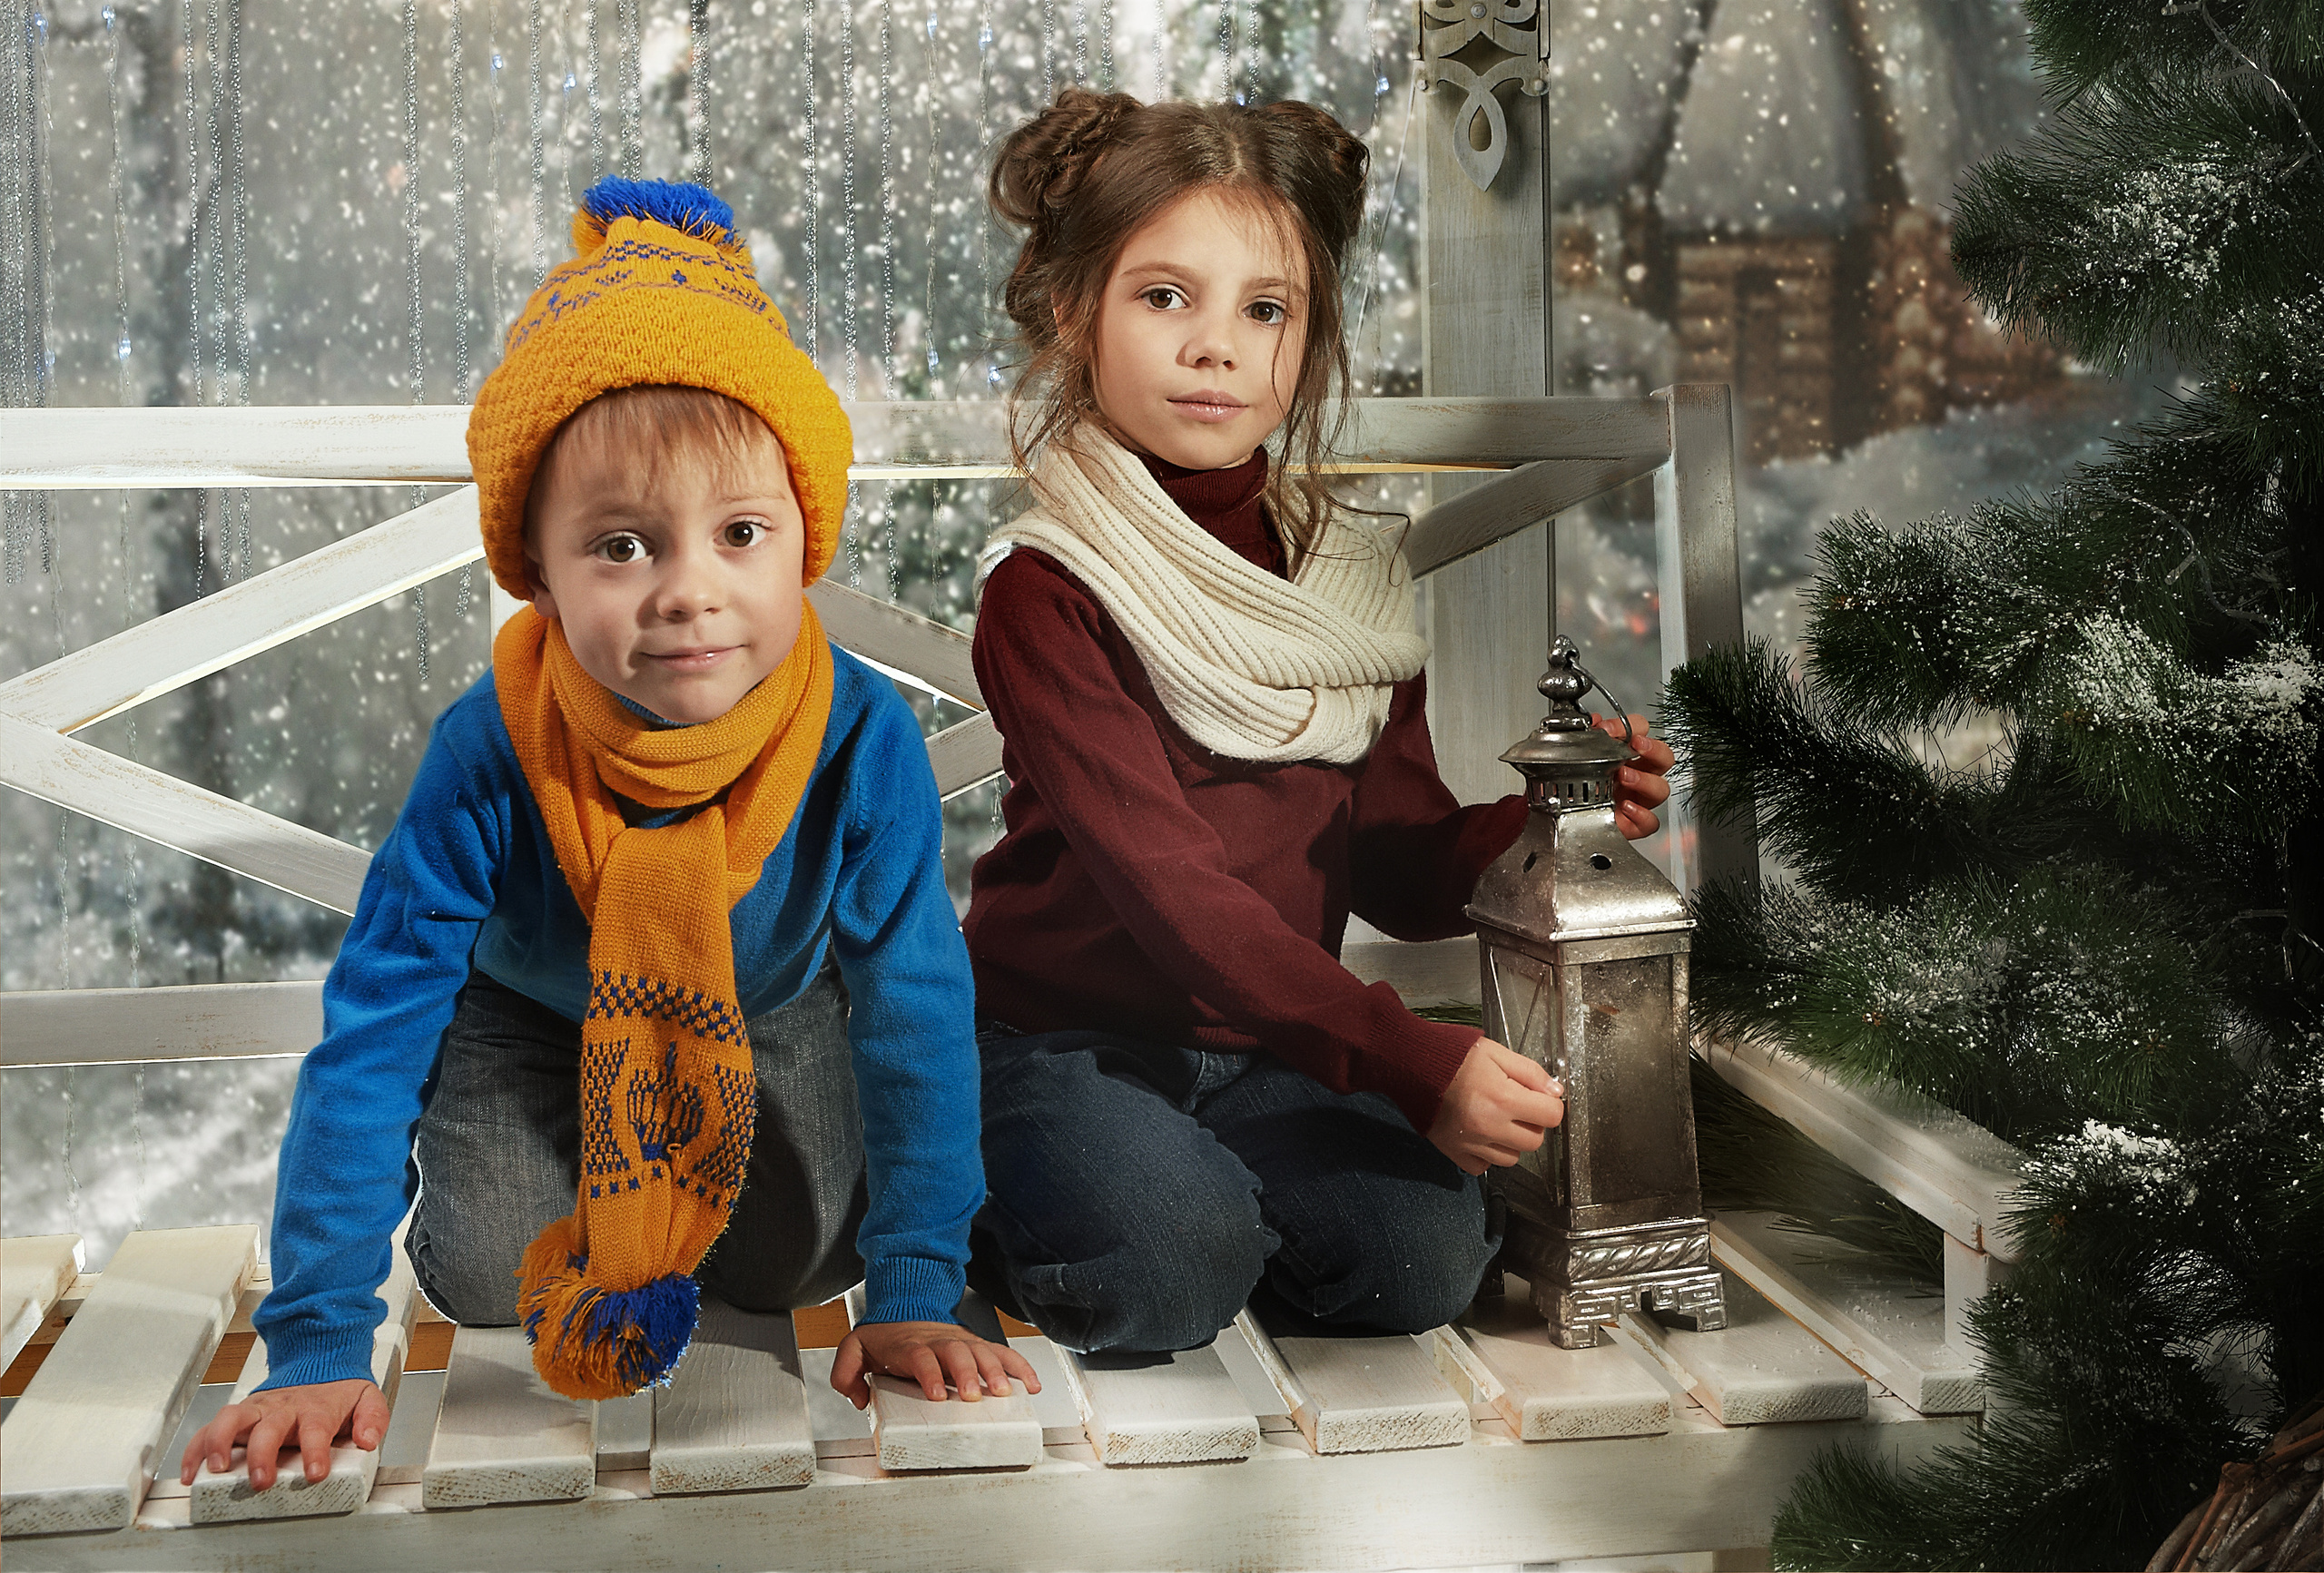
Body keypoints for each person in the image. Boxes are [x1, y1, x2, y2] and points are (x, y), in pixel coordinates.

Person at [182, 177, 1034, 1494]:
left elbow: (916, 1002)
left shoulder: (858, 739)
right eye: (623, 545)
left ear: (806, 536)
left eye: (740, 532)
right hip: (528, 1020)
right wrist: (312, 1338)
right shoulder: (492, 748)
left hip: (773, 1006)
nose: (690, 588)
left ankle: (678, 1194)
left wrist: (920, 1279)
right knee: (483, 1274)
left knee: (808, 1254)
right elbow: (375, 1022)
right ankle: (588, 1163)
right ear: (536, 563)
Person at [963, 90, 1676, 1355]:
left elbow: (1395, 855)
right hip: (1069, 1037)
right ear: (1075, 311)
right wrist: (1406, 1058)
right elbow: (1173, 893)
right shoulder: (1049, 585)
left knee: (1424, 1261)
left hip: (1267, 1045)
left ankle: (1201, 1195)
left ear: (1308, 335)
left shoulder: (1342, 575)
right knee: (1174, 1265)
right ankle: (1024, 1191)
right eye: (1164, 296)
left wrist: (1550, 829)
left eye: (1265, 308)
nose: (1215, 347)